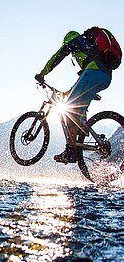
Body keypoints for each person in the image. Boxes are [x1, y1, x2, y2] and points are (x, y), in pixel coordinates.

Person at [35, 29, 114, 164]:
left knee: (69, 110)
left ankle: (71, 150)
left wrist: (42, 74)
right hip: (105, 77)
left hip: (94, 73)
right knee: (76, 106)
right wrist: (68, 92)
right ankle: (80, 136)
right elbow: (82, 82)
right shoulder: (91, 51)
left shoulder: (76, 42)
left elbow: (57, 56)